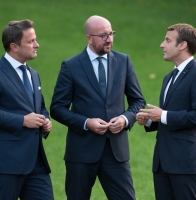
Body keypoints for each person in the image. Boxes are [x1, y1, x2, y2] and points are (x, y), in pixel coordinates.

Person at [50, 15, 145, 200]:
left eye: (111, 34)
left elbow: (138, 101)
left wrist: (125, 119)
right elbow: (57, 108)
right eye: (103, 35)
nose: (109, 39)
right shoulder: (71, 66)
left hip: (116, 152)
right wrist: (86, 123)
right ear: (89, 38)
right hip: (81, 152)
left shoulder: (124, 62)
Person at [0, 19, 54, 200]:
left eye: (36, 40)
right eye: (31, 41)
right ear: (14, 46)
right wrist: (22, 121)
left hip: (36, 163)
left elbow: (39, 107)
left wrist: (45, 120)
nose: (37, 45)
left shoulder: (34, 74)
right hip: (5, 163)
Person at [136, 23, 196, 200]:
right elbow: (171, 116)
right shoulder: (169, 77)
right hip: (162, 163)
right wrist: (150, 120)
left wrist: (162, 115)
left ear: (182, 45)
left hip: (185, 163)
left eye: (167, 40)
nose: (162, 45)